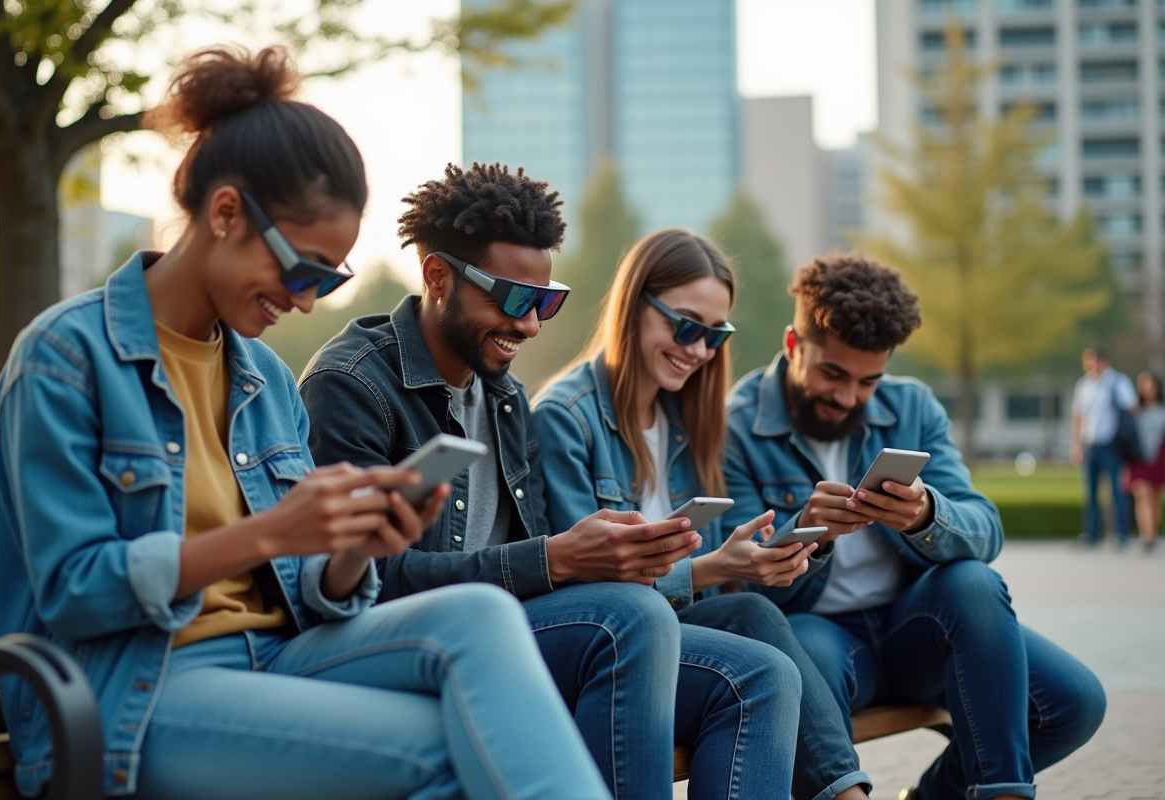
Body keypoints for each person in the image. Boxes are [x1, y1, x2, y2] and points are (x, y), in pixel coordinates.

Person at [0, 46, 611, 800]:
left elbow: (313, 591)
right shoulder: (66, 358)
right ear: (225, 215)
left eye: (332, 278)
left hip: (278, 660)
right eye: (305, 270)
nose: (310, 302)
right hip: (136, 692)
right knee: (463, 755)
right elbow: (77, 591)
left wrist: (352, 548)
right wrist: (272, 532)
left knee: (479, 617)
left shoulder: (262, 376)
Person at [299, 164, 802, 800]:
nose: (531, 324)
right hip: (399, 641)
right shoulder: (353, 385)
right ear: (437, 277)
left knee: (763, 677)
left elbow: (542, 564)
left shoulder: (505, 400)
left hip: (505, 630)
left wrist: (606, 554)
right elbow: (360, 585)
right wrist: (557, 557)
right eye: (513, 299)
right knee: (632, 617)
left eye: (545, 301)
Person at [723, 254, 1106, 800]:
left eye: (867, 380)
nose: (848, 396)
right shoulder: (734, 424)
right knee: (800, 652)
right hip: (818, 633)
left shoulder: (912, 405)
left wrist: (927, 515)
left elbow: (985, 529)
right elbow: (738, 586)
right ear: (792, 345)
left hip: (917, 630)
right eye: (832, 373)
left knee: (1070, 699)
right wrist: (808, 534)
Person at [533, 228, 873, 800]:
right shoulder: (566, 417)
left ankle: (848, 795)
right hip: (610, 651)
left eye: (714, 336)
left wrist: (790, 545)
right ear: (635, 306)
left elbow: (728, 591)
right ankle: (848, 795)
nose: (698, 350)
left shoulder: (693, 421)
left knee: (754, 621)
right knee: (760, 660)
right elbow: (591, 588)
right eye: (685, 326)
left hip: (686, 637)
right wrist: (713, 568)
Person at [1070, 345, 1138, 545]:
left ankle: (1121, 533)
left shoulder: (1118, 382)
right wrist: (1076, 445)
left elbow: (1132, 409)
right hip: (1090, 444)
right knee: (1090, 492)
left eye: (1091, 361)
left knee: (1117, 491)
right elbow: (1078, 416)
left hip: (1112, 445)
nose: (1088, 366)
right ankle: (1091, 534)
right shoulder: (1083, 385)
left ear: (1102, 361)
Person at [1125, 371, 1165, 552]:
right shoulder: (1134, 411)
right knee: (1143, 495)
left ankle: (1152, 533)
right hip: (1138, 458)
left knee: (1155, 497)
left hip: (1159, 458)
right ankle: (1147, 537)